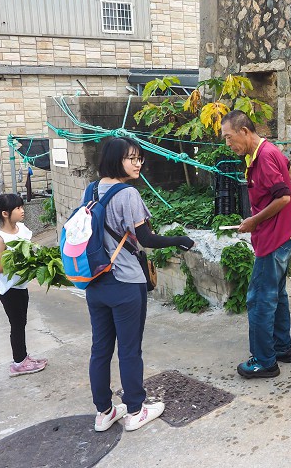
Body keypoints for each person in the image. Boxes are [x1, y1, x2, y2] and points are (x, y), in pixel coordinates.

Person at [83, 137, 194, 432]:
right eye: (131, 158)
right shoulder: (127, 194)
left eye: (140, 158)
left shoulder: (91, 190)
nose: (138, 163)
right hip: (125, 282)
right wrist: (179, 240)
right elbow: (146, 239)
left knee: (100, 349)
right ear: (115, 160)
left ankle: (104, 411)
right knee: (130, 350)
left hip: (95, 282)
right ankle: (134, 410)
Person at [221, 110, 291, 379]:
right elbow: (289, 169)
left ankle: (265, 362)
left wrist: (254, 220)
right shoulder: (266, 151)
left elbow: (284, 198)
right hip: (284, 234)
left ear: (244, 131)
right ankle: (281, 348)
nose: (228, 144)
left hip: (274, 238)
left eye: (229, 138)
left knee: (259, 300)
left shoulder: (264, 157)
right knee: (277, 294)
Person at [0, 193, 48, 377]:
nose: (22, 211)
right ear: (5, 213)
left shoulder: (21, 228)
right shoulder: (0, 239)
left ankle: (24, 357)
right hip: (8, 290)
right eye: (18, 208)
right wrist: (19, 262)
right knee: (17, 324)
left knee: (22, 322)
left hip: (20, 286)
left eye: (22, 207)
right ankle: (18, 363)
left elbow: (30, 249)